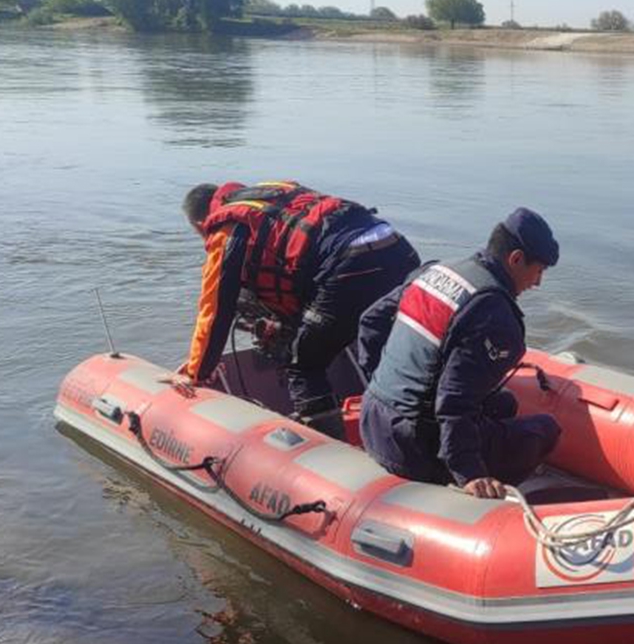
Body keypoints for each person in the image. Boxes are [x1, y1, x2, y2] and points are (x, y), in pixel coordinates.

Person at [175, 180, 420, 437]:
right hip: (398, 251)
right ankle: (414, 426)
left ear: (199, 225)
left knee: (303, 365)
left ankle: (330, 451)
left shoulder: (226, 229)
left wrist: (197, 370)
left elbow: (215, 308)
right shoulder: (276, 192)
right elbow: (301, 255)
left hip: (350, 266)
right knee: (384, 343)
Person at [358, 208, 562, 498]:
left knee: (504, 404)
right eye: (538, 270)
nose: (537, 282)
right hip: (413, 448)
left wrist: (381, 387)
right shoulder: (494, 315)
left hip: (373, 419)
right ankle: (480, 501)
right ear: (516, 259)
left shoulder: (436, 269)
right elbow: (454, 401)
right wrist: (470, 472)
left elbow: (371, 322)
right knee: (545, 430)